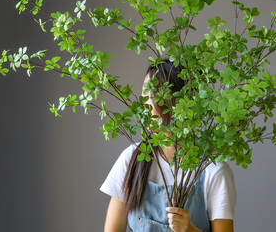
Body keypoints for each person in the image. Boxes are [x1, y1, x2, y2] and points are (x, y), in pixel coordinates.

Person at [100, 59, 236, 232]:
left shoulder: (213, 171)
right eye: (143, 95)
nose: (143, 105)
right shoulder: (131, 158)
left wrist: (189, 229)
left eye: (150, 97)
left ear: (180, 101)